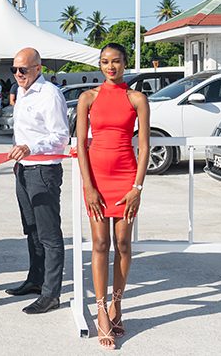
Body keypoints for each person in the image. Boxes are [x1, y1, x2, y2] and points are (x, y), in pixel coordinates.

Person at [76, 43, 149, 349]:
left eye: (116, 61)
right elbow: (80, 143)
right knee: (100, 244)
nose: (110, 66)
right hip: (97, 180)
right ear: (100, 65)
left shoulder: (137, 98)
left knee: (122, 243)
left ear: (125, 63)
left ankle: (117, 304)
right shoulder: (87, 98)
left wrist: (137, 188)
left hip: (126, 180)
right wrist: (88, 186)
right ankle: (101, 311)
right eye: (105, 62)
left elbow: (144, 146)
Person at [4, 48, 70, 315]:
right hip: (24, 169)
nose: (18, 75)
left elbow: (61, 136)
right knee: (31, 229)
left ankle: (51, 294)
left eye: (23, 70)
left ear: (38, 68)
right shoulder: (22, 91)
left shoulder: (50, 94)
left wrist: (31, 148)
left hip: (43, 170)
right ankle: (35, 280)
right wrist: (20, 157)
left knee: (49, 234)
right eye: (15, 70)